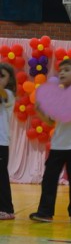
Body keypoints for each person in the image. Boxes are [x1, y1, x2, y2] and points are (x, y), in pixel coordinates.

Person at [29, 59, 71, 224]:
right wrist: (39, 111)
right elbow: (51, 122)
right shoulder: (58, 97)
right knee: (49, 180)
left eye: (66, 70)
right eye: (60, 70)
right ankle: (45, 212)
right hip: (58, 146)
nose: (61, 73)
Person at [0, 63, 17, 220]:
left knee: (1, 176)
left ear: (9, 79)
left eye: (2, 76)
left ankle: (7, 208)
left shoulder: (8, 94)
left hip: (1, 142)